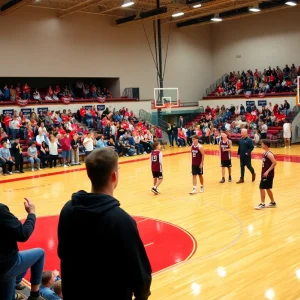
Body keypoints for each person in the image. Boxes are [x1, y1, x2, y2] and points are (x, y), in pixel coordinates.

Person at [57, 148, 152, 300]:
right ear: (114, 176)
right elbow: (140, 277)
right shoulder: (121, 221)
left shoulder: (68, 209)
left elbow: (62, 253)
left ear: (89, 174)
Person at [0, 198, 45, 300]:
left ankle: (15, 285)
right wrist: (32, 213)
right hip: (5, 266)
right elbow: (23, 234)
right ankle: (34, 295)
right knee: (40, 254)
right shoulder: (1, 210)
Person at [255, 139, 277, 210]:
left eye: (262, 144)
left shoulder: (269, 154)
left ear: (266, 145)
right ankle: (273, 203)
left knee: (262, 188)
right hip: (265, 173)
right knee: (267, 188)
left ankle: (262, 203)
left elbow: (274, 163)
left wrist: (267, 171)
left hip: (268, 174)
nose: (261, 145)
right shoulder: (265, 152)